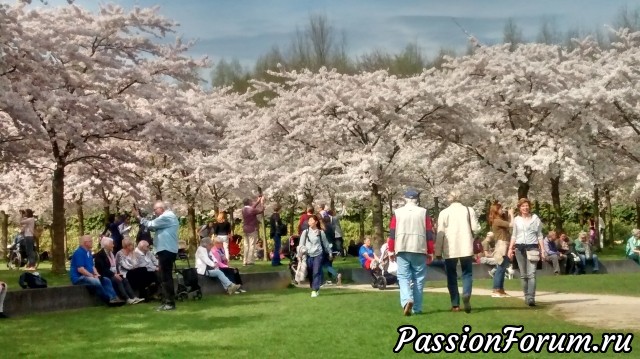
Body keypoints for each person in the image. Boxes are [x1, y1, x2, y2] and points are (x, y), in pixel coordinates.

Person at [388, 189, 434, 316]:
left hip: (402, 247)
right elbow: (429, 233)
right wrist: (430, 251)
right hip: (419, 248)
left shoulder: (397, 213)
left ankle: (407, 299)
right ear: (416, 199)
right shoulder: (424, 212)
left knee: (403, 277)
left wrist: (391, 250)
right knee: (419, 279)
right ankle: (417, 308)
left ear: (405, 199)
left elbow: (392, 233)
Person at [435, 190, 479, 313]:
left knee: (451, 275)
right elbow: (475, 228)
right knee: (467, 273)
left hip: (450, 248)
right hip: (466, 246)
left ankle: (455, 304)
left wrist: (438, 251)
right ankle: (466, 294)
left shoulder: (444, 213)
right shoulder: (469, 210)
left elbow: (440, 233)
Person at [132, 201, 179, 312]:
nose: (154, 212)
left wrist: (138, 217)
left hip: (166, 250)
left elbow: (151, 224)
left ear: (161, 208)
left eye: (155, 209)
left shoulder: (167, 216)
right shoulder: (166, 218)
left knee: (165, 277)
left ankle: (169, 303)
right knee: (163, 277)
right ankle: (166, 301)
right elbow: (153, 227)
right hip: (165, 250)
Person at [508, 198, 545, 307]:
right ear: (519, 208)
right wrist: (510, 248)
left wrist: (542, 250)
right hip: (519, 248)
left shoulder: (535, 219)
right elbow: (514, 235)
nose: (525, 208)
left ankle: (531, 298)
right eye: (523, 206)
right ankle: (526, 295)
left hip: (532, 247)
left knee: (532, 274)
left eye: (527, 205)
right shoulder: (517, 220)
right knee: (524, 275)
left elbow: (540, 235)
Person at [69, 235, 122, 305]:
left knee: (106, 280)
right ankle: (107, 299)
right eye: (90, 241)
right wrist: (92, 276)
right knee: (96, 281)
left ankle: (114, 298)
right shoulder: (79, 253)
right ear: (85, 243)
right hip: (79, 278)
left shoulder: (89, 252)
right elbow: (80, 269)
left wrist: (97, 274)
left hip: (88, 276)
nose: (92, 242)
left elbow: (92, 266)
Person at [94, 237, 144, 304]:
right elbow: (104, 269)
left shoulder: (111, 254)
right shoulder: (100, 255)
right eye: (111, 244)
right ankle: (127, 298)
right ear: (106, 245)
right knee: (118, 279)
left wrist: (116, 273)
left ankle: (133, 297)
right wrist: (114, 274)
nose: (113, 245)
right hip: (106, 275)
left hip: (113, 273)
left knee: (124, 279)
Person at [299, 215, 333, 297]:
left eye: (311, 220)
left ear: (316, 222)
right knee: (310, 272)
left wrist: (330, 252)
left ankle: (315, 289)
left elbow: (325, 244)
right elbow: (301, 244)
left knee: (316, 271)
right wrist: (299, 254)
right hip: (308, 254)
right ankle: (313, 286)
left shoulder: (320, 232)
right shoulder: (305, 232)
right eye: (309, 220)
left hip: (318, 254)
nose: (309, 222)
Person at [488, 201, 514, 298]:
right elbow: (512, 225)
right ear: (496, 210)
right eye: (500, 209)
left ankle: (501, 289)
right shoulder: (497, 221)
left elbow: (509, 224)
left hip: (504, 244)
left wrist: (510, 215)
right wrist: (511, 213)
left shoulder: (499, 220)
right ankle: (496, 289)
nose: (502, 210)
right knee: (501, 267)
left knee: (503, 268)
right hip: (501, 245)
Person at [242, 196, 265, 266]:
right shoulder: (251, 210)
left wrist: (257, 201)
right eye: (251, 201)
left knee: (246, 245)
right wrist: (262, 202)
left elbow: (252, 208)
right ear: (249, 202)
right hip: (252, 229)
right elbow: (261, 210)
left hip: (245, 228)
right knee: (252, 245)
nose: (252, 202)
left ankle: (245, 260)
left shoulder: (243, 209)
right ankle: (250, 261)